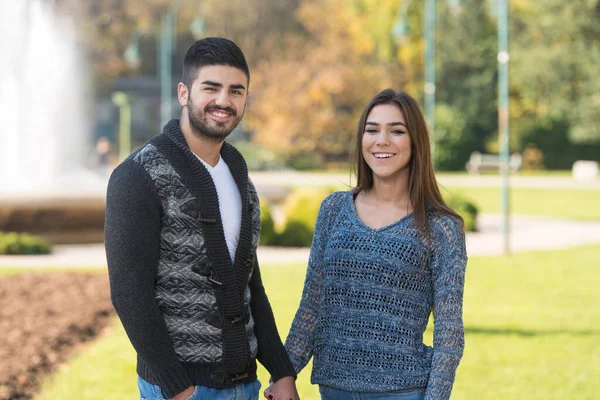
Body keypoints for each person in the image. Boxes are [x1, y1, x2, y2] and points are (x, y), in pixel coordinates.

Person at [105, 37, 298, 400]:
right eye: (211, 88)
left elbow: (249, 285)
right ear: (183, 93)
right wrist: (179, 388)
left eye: (236, 91)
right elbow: (129, 293)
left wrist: (282, 371)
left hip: (246, 384)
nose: (224, 101)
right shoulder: (137, 176)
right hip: (183, 389)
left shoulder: (241, 179)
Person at [268, 89, 467, 400]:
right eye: (372, 130)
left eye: (396, 131)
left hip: (404, 391)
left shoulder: (441, 227)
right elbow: (312, 305)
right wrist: (284, 374)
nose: (381, 140)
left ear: (416, 142)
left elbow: (449, 332)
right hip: (334, 390)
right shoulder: (333, 210)